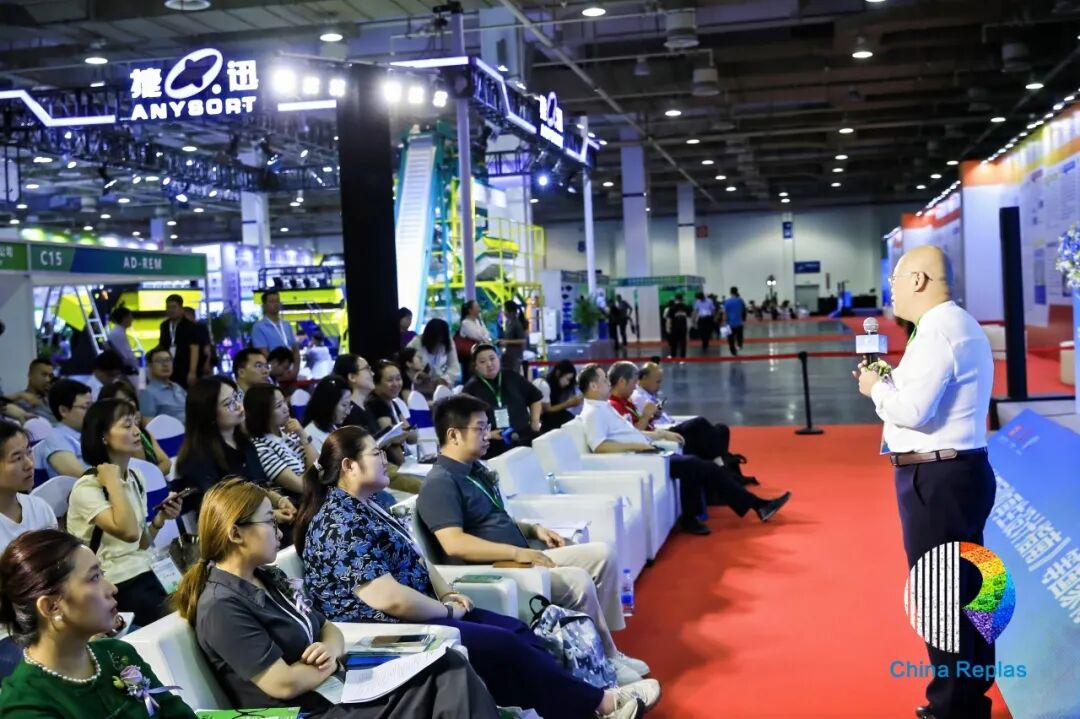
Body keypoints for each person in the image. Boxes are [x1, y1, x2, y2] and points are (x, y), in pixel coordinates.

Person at [295, 426, 659, 719]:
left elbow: (416, 558)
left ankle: (575, 705)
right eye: (375, 453)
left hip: (424, 610)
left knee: (517, 630)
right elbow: (388, 599)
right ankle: (602, 704)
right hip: (388, 630)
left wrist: (446, 593)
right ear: (349, 466)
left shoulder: (369, 506)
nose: (385, 458)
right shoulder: (339, 523)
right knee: (504, 647)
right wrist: (446, 611)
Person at [174, 478, 501, 718]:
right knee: (448, 678)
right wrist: (329, 664)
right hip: (307, 710)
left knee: (448, 665)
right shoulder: (221, 605)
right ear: (235, 533)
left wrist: (330, 650)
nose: (278, 531)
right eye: (269, 522)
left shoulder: (266, 578)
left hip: (332, 690)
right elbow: (283, 684)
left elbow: (328, 628)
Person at [417, 394, 651, 684]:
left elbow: (493, 519)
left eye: (487, 426)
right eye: (480, 428)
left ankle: (606, 648)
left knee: (603, 554)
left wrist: (533, 530)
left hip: (521, 555)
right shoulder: (441, 482)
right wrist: (518, 554)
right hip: (498, 569)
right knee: (578, 580)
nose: (489, 434)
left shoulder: (474, 470)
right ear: (453, 434)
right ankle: (602, 661)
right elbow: (455, 544)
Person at [853, 245, 995, 719]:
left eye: (894, 279)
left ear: (918, 280)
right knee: (969, 589)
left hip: (936, 477)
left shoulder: (936, 331)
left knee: (941, 597)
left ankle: (950, 705)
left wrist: (876, 389)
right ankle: (969, 695)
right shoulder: (957, 325)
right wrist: (891, 382)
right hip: (960, 471)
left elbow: (914, 411)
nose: (890, 290)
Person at [0, 530, 197, 718]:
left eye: (102, 573)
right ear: (52, 607)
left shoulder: (117, 653)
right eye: (94, 578)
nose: (112, 588)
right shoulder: (25, 705)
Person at [580, 364, 790, 535]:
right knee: (699, 466)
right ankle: (755, 505)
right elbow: (600, 447)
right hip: (641, 458)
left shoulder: (603, 408)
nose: (609, 383)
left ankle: (698, 514)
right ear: (593, 386)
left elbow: (630, 432)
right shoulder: (592, 413)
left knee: (695, 464)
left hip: (648, 450)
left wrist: (659, 435)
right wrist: (639, 445)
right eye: (604, 380)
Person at [67, 399, 184, 626]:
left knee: (195, 602)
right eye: (127, 425)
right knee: (175, 618)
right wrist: (112, 482)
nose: (137, 431)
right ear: (103, 436)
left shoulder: (135, 477)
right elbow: (129, 533)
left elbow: (139, 544)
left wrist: (159, 520)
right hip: (113, 582)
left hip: (146, 569)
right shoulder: (87, 488)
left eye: (136, 423)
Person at [175, 377, 295, 523]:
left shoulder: (244, 442)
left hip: (261, 519)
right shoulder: (197, 458)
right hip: (232, 529)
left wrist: (279, 500)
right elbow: (219, 511)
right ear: (209, 413)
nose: (238, 406)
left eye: (236, 397)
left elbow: (258, 486)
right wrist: (271, 515)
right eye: (229, 404)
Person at [629, 362, 757, 486]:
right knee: (699, 423)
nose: (660, 386)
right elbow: (642, 427)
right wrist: (649, 417)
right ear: (644, 378)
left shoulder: (649, 394)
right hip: (662, 431)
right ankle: (725, 471)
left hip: (668, 425)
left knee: (721, 429)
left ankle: (728, 470)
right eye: (657, 382)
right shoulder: (638, 397)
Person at [0, 422, 58, 678]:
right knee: (40, 669)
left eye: (29, 452)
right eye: (17, 458)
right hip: (8, 630)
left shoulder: (39, 507)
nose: (29, 464)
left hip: (52, 614)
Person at [462, 344, 542, 458]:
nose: (489, 364)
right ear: (476, 366)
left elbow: (535, 397)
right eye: (482, 362)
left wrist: (535, 423)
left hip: (523, 438)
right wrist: (488, 435)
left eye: (492, 359)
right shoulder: (470, 389)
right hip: (492, 447)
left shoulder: (512, 376)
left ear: (498, 359)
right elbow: (463, 424)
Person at [245, 385, 318, 497]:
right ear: (263, 413)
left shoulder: (290, 432)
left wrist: (303, 436)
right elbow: (303, 487)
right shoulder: (261, 448)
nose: (286, 408)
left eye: (284, 401)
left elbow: (320, 466)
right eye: (278, 405)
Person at [98, 380, 172, 477]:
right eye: (120, 402)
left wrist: (148, 479)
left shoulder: (144, 434)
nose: (128, 406)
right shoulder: (110, 443)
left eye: (129, 400)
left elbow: (166, 464)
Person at [366, 360, 418, 466]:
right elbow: (392, 440)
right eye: (390, 380)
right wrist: (404, 468)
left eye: (398, 379)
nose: (396, 384)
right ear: (376, 383)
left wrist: (404, 433)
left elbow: (412, 437)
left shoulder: (392, 402)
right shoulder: (376, 403)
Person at [40, 379, 93, 479]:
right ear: (63, 410)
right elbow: (81, 476)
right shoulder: (56, 438)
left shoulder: (91, 433)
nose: (92, 412)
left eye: (92, 406)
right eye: (86, 407)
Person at [251, 290, 300, 381]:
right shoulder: (259, 327)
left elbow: (295, 349)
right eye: (272, 301)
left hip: (291, 371)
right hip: (273, 374)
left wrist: (295, 371)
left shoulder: (286, 325)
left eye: (277, 301)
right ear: (264, 306)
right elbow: (264, 353)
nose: (276, 304)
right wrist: (280, 371)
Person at [158, 293, 200, 388]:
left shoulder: (190, 326)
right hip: (168, 368)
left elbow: (194, 349)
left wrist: (192, 371)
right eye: (168, 307)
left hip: (184, 367)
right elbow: (162, 345)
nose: (171, 310)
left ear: (181, 308)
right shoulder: (164, 326)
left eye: (174, 307)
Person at [303, 375, 352, 455]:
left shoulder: (331, 426)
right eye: (344, 405)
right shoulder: (311, 436)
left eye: (349, 405)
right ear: (329, 404)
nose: (348, 412)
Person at [332, 354, 380, 434]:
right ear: (352, 377)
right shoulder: (348, 414)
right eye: (367, 369)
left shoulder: (366, 408)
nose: (372, 373)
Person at [138, 346, 187, 423]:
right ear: (150, 366)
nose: (165, 364)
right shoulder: (148, 393)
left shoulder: (177, 387)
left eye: (168, 360)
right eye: (159, 361)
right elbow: (148, 425)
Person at [407, 319, 460, 386]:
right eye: (436, 339)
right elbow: (406, 365)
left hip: (440, 383)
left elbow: (454, 366)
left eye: (441, 340)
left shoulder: (448, 341)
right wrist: (418, 375)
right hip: (419, 384)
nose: (438, 343)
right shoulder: (416, 343)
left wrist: (444, 379)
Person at [537, 360, 584, 432]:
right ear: (558, 373)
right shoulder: (544, 386)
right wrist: (568, 403)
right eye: (568, 379)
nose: (568, 383)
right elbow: (547, 410)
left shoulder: (555, 389)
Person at [10, 358, 57, 424]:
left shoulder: (51, 400)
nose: (48, 379)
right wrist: (20, 395)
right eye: (44, 374)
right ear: (30, 375)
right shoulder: (19, 401)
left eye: (50, 376)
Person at [497, 300, 528, 375]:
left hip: (515, 355)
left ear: (510, 312)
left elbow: (523, 340)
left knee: (513, 375)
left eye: (505, 310)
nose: (503, 312)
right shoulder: (508, 322)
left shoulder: (517, 323)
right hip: (508, 354)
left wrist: (507, 342)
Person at [183, 307, 214, 378]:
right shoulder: (184, 330)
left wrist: (207, 362)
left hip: (201, 363)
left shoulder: (200, 328)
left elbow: (207, 347)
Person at [106, 306, 139, 375]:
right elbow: (126, 356)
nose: (132, 319)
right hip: (125, 371)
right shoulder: (118, 334)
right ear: (125, 318)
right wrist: (136, 368)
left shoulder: (118, 332)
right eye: (130, 317)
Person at [663, 294, 690, 359]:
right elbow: (689, 318)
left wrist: (668, 328)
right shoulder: (686, 307)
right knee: (683, 343)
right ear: (682, 300)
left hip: (674, 328)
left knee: (674, 343)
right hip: (683, 327)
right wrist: (689, 327)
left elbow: (669, 319)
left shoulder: (672, 308)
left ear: (675, 300)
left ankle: (673, 355)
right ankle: (682, 357)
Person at [723, 287, 747, 356]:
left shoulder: (727, 301)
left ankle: (733, 351)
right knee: (739, 337)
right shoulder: (740, 300)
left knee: (730, 339)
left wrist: (724, 322)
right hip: (739, 322)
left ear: (730, 292)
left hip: (729, 323)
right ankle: (739, 346)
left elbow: (725, 313)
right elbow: (743, 310)